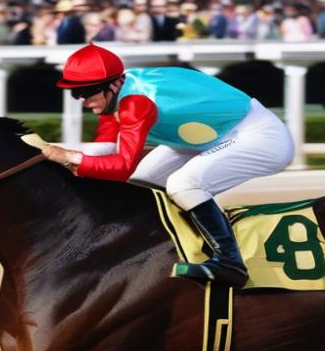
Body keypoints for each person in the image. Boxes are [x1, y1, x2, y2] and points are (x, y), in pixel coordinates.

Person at [41, 44, 295, 288]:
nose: (83, 100)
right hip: (206, 137)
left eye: (88, 91)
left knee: (183, 184)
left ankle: (230, 262)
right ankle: (162, 247)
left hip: (258, 136)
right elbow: (108, 149)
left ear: (115, 84)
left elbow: (122, 165)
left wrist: (69, 157)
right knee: (142, 184)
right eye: (76, 93)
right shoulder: (115, 96)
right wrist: (49, 152)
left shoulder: (136, 103)